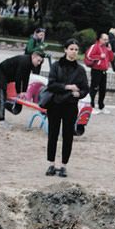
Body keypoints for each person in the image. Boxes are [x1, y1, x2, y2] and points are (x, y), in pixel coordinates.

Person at [44, 39, 88, 177]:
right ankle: (51, 164)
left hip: (70, 106)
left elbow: (85, 89)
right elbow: (51, 84)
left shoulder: (80, 69)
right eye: (71, 49)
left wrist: (78, 94)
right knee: (53, 134)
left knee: (68, 136)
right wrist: (67, 87)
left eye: (76, 49)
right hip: (55, 104)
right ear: (65, 50)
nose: (74, 52)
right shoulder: (56, 66)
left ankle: (63, 165)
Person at [0, 52, 41, 125]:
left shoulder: (29, 64)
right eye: (38, 60)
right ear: (33, 57)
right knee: (2, 97)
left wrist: (24, 91)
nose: (39, 63)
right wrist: (18, 92)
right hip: (1, 73)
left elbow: (26, 78)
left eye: (40, 61)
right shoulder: (25, 61)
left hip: (4, 75)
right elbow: (18, 78)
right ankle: (2, 121)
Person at [84, 32, 114, 113]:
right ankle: (91, 106)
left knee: (102, 89)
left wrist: (110, 51)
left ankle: (101, 106)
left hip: (104, 71)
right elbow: (88, 56)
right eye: (104, 39)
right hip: (96, 70)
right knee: (94, 88)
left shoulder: (106, 47)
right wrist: (99, 57)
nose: (106, 41)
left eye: (107, 39)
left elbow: (111, 59)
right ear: (100, 39)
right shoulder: (95, 46)